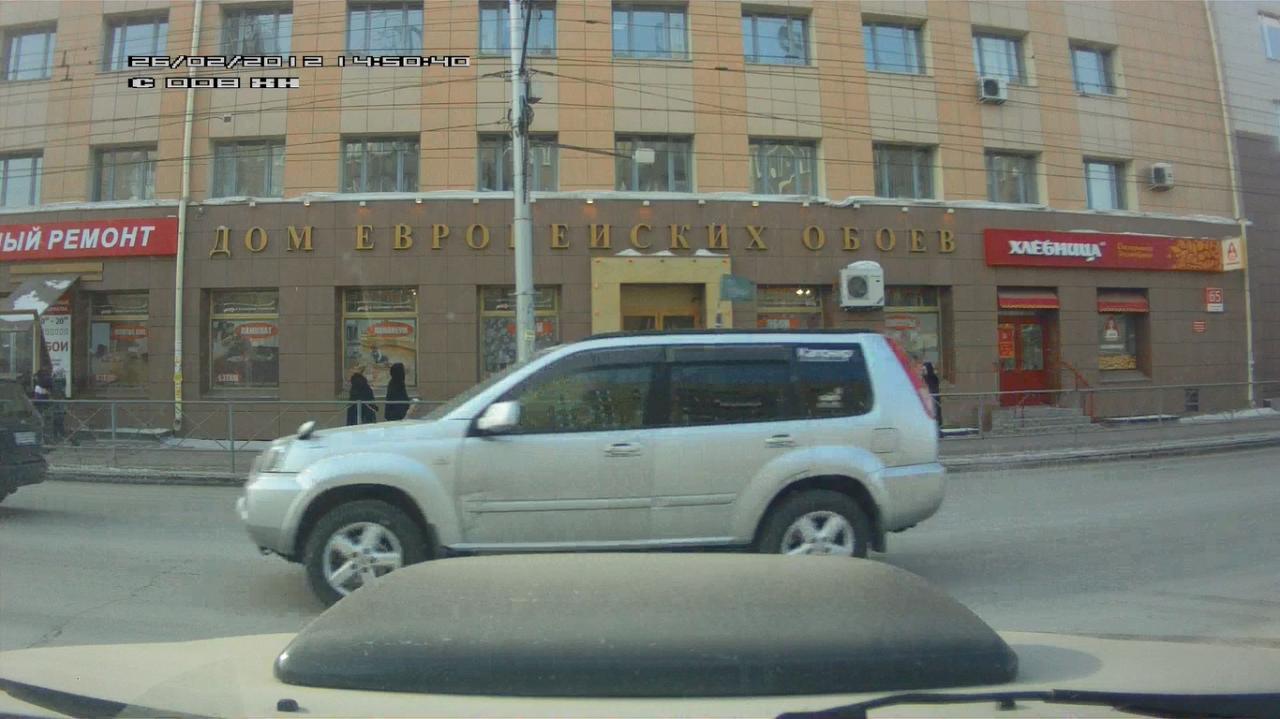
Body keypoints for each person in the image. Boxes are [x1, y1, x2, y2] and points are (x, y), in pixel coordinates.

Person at [922, 362, 942, 437]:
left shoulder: (933, 378)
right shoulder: (923, 378)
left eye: (925, 370)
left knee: (934, 415)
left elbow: (933, 389)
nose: (924, 371)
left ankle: (936, 431)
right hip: (927, 400)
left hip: (933, 400)